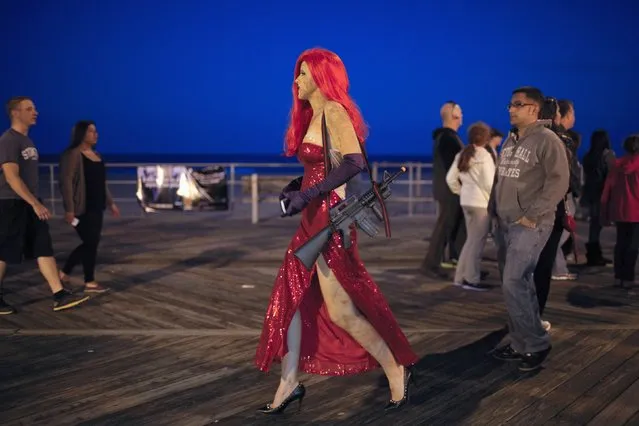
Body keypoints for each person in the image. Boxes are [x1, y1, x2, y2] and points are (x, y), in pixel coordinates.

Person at [254, 48, 417, 414]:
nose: (296, 80)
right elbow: (321, 167)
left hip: (329, 220)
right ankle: (288, 382)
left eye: (304, 74)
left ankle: (396, 369)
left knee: (342, 311)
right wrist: (297, 190)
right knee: (291, 301)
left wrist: (309, 193)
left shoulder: (334, 111)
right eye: (298, 74)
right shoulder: (312, 115)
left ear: (321, 79)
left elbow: (355, 161)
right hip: (310, 216)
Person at [490, 87, 569, 372]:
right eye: (510, 105)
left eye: (517, 105)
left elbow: (559, 181)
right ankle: (520, 342)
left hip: (531, 224)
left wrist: (532, 215)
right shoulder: (509, 142)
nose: (511, 109)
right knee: (515, 285)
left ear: (533, 109)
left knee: (514, 281)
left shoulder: (547, 140)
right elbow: (500, 181)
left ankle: (536, 343)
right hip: (506, 223)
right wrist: (493, 213)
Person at [0, 97, 90, 314]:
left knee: (43, 245)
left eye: (35, 108)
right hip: (10, 202)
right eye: (29, 109)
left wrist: (35, 202)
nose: (35, 112)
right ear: (15, 113)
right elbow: (11, 177)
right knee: (5, 251)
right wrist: (34, 203)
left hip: (29, 201)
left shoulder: (27, 141)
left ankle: (59, 294)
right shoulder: (9, 140)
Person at [59, 120, 120, 293]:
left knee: (91, 242)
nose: (96, 134)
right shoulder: (72, 155)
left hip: (97, 206)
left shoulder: (97, 155)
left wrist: (111, 203)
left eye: (96, 131)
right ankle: (86, 280)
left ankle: (69, 274)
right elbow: (66, 183)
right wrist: (69, 209)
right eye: (92, 131)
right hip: (81, 208)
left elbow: (102, 183)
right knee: (90, 242)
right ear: (82, 134)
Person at [531, 96, 576, 331]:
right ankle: (534, 318)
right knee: (542, 268)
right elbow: (567, 181)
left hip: (525, 212)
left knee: (525, 268)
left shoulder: (522, 138)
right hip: (550, 212)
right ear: (556, 115)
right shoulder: (559, 140)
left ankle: (524, 317)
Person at [445, 122, 495, 291]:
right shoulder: (485, 156)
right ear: (486, 138)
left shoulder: (463, 154)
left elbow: (450, 179)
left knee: (470, 241)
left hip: (466, 201)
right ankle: (471, 279)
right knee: (477, 242)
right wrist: (493, 200)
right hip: (481, 204)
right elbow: (489, 183)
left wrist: (461, 192)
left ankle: (460, 277)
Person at [420, 101, 466, 278]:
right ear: (454, 115)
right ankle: (430, 264)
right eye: (460, 112)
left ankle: (459, 260)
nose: (462, 115)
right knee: (444, 226)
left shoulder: (447, 137)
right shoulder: (448, 138)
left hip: (448, 189)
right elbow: (453, 167)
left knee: (454, 225)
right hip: (450, 190)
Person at [601, 134, 639, 288]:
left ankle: (618, 277)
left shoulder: (617, 165)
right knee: (633, 245)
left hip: (619, 210)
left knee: (621, 243)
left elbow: (608, 188)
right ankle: (628, 278)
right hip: (637, 211)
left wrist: (605, 210)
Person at [582, 130, 615, 265]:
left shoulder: (588, 156)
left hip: (590, 193)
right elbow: (612, 176)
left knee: (594, 225)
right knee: (598, 225)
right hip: (602, 193)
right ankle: (595, 255)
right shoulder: (608, 155)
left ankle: (593, 254)